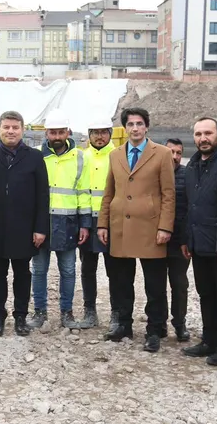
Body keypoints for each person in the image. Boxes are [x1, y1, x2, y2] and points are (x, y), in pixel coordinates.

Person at [98, 107, 175, 353]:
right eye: (130, 124)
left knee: (154, 284)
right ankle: (124, 325)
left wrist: (165, 226)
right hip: (120, 226)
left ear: (146, 126)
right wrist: (103, 223)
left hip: (150, 228)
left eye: (139, 124)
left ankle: (154, 329)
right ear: (125, 128)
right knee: (121, 281)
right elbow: (109, 191)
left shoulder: (162, 154)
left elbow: (168, 194)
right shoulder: (115, 155)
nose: (135, 128)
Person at [0, 111, 50, 337]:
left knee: (22, 274)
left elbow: (43, 195)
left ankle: (20, 316)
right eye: (6, 127)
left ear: (22, 130)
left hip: (24, 228)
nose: (10, 131)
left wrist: (40, 228)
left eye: (15, 127)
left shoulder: (35, 157)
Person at [182, 118, 217, 366]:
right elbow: (190, 205)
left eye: (208, 133)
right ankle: (209, 340)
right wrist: (187, 238)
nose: (203, 138)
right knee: (205, 294)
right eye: (198, 134)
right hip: (198, 243)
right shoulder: (192, 165)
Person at [27, 109, 91, 330]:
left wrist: (85, 224)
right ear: (46, 133)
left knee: (68, 271)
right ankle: (39, 312)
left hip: (68, 224)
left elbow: (83, 192)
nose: (56, 136)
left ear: (68, 132)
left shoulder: (79, 157)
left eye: (60, 132)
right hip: (41, 224)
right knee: (39, 270)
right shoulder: (36, 155)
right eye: (52, 132)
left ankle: (67, 313)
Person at [80, 118, 116, 330]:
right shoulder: (82, 157)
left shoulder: (118, 156)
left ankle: (116, 312)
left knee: (115, 269)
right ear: (89, 135)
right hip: (87, 220)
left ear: (110, 133)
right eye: (95, 132)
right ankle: (90, 310)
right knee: (87, 268)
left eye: (103, 132)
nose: (99, 136)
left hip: (112, 221)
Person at [164, 138, 190, 342]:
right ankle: (157, 323)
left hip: (179, 241)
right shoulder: (153, 174)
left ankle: (180, 323)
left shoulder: (188, 175)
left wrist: (187, 239)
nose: (174, 156)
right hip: (156, 241)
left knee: (180, 284)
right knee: (155, 285)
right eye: (170, 152)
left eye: (178, 153)